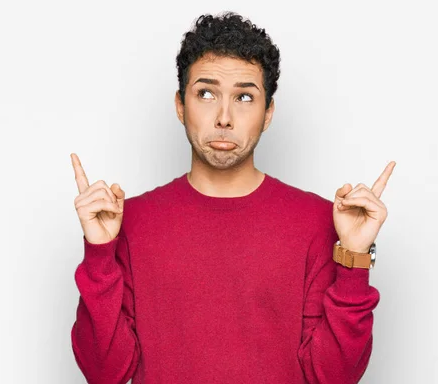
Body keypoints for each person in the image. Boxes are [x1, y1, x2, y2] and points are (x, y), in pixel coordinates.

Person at [70, 11, 395, 384]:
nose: (224, 117)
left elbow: (335, 375)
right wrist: (99, 252)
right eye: (206, 93)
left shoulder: (319, 222)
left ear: (268, 112)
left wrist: (353, 257)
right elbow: (104, 372)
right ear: (180, 105)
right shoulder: (130, 221)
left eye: (244, 96)